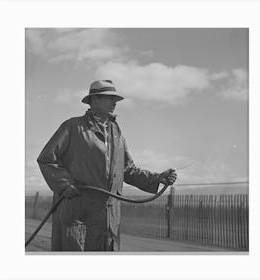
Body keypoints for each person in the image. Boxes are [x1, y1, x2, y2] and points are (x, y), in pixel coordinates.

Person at [37, 80, 177, 251]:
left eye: (115, 100)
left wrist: (158, 178)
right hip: (79, 212)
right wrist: (64, 184)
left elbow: (127, 170)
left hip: (108, 217)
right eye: (109, 98)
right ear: (94, 99)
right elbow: (46, 158)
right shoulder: (73, 127)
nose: (114, 103)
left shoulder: (116, 133)